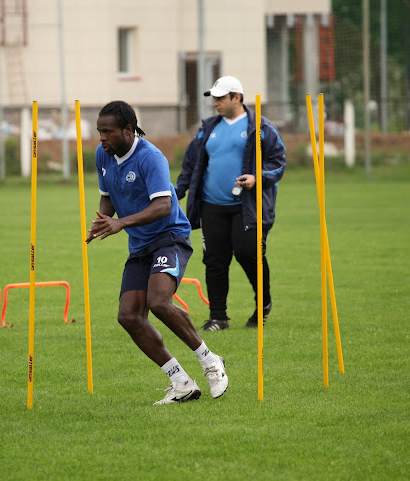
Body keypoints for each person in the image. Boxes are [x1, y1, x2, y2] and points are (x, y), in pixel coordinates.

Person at [86, 100, 228, 404]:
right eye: (99, 132)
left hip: (170, 237)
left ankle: (210, 361)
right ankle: (181, 382)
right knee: (128, 316)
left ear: (127, 129)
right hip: (140, 245)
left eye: (107, 132)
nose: (102, 138)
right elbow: (107, 196)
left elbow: (164, 205)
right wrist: (102, 221)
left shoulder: (151, 158)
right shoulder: (104, 154)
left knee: (160, 301)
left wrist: (120, 223)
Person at [175, 76, 286, 331]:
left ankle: (264, 303)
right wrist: (177, 192)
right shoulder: (207, 128)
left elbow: (278, 163)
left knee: (249, 254)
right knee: (214, 260)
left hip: (247, 207)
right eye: (214, 98)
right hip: (211, 205)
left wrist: (257, 178)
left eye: (221, 98)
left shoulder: (260, 127)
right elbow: (191, 164)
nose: (215, 103)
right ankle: (218, 318)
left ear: (237, 97)